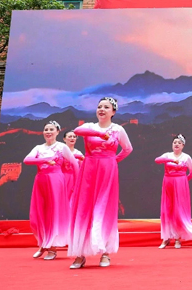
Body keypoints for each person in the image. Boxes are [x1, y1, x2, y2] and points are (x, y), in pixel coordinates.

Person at [68, 97, 133, 269]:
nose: (102, 109)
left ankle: (105, 252)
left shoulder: (118, 129)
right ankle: (80, 254)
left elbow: (128, 149)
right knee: (84, 207)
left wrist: (113, 160)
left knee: (105, 207)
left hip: (107, 170)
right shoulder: (90, 127)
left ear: (113, 112)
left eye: (106, 107)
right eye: (99, 107)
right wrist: (98, 134)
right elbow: (77, 130)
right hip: (89, 169)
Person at [23, 120, 78, 260]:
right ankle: (44, 243)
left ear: (57, 132)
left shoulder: (62, 147)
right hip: (40, 180)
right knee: (39, 212)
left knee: (53, 213)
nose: (48, 132)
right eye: (46, 129)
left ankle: (52, 248)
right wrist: (45, 160)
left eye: (51, 129)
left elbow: (74, 164)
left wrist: (78, 183)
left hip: (56, 181)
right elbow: (27, 160)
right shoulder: (38, 148)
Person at [155, 134, 192, 249]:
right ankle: (166, 237)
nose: (176, 144)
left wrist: (184, 181)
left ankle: (177, 238)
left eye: (179, 143)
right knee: (167, 210)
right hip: (168, 184)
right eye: (174, 142)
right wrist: (171, 160)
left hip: (180, 185)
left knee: (178, 211)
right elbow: (157, 160)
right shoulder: (167, 155)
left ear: (183, 145)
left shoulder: (186, 157)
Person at [62, 130, 84, 200]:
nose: (72, 138)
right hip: (62, 177)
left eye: (74, 137)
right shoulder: (60, 151)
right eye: (70, 136)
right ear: (64, 139)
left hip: (74, 178)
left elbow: (83, 168)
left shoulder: (78, 153)